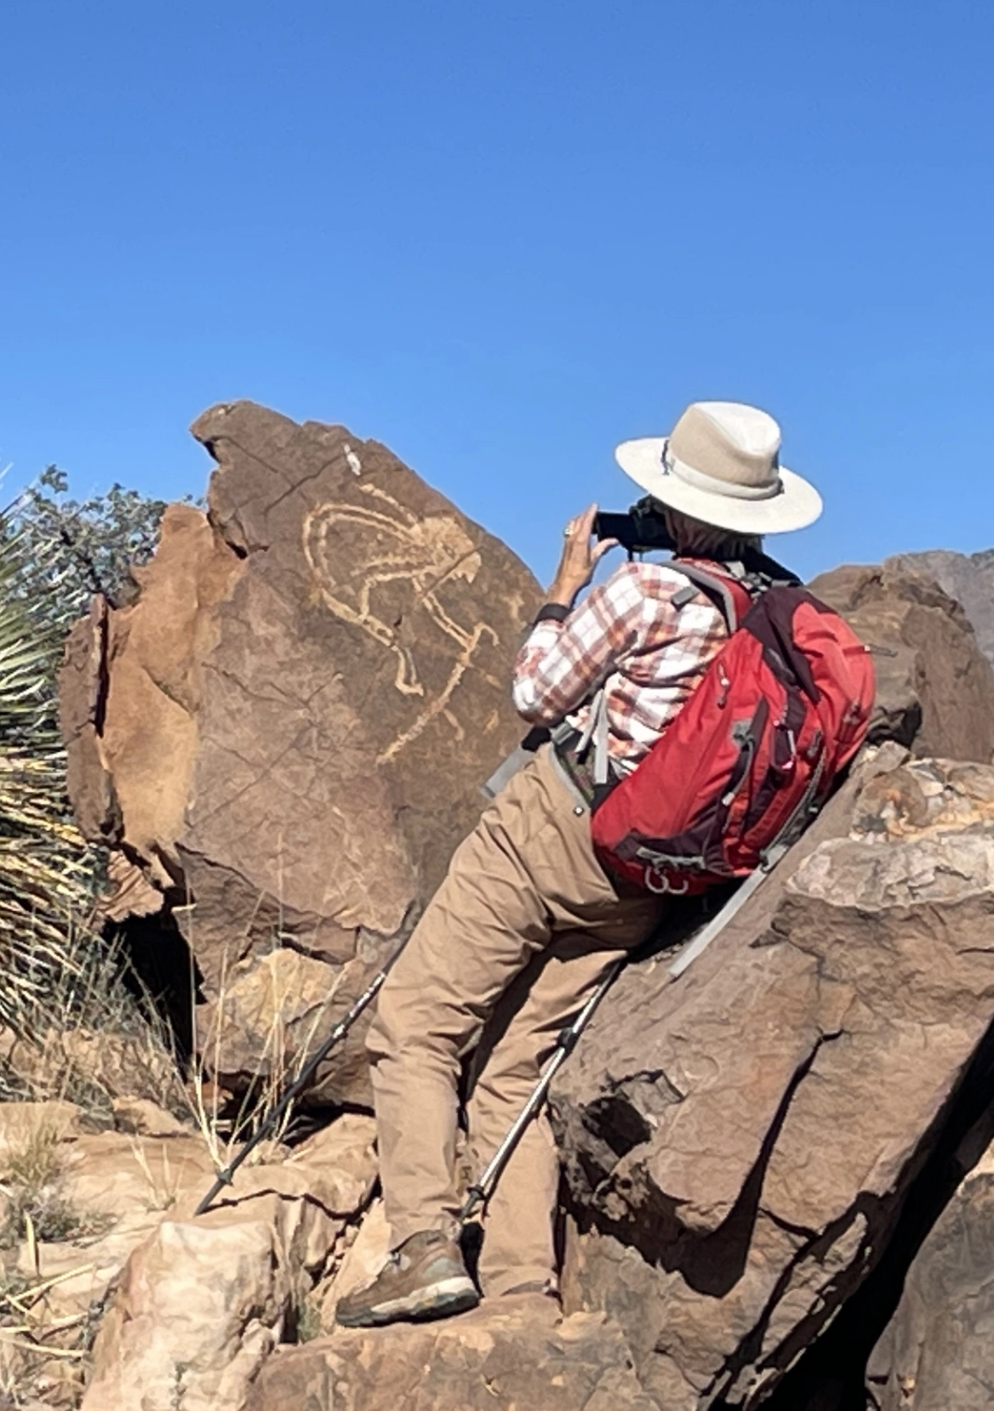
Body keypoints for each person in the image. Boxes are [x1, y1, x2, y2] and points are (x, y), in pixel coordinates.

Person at [335, 400, 824, 1329]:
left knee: (414, 1027)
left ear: (676, 509)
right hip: (646, 880)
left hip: (551, 834)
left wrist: (564, 585)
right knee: (515, 1073)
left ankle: (422, 1246)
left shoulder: (645, 594)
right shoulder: (768, 616)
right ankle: (521, 1290)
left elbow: (535, 691)